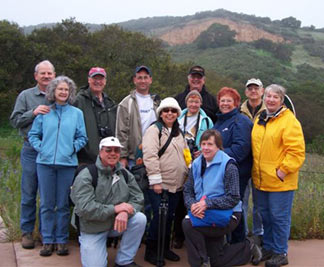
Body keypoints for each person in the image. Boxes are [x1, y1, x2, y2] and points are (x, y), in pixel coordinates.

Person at [182, 129, 261, 267]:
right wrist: (193, 205)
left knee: (188, 224)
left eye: (210, 144)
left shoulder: (229, 165)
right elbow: (187, 190)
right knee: (216, 260)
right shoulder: (196, 164)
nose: (206, 148)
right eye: (203, 144)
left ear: (218, 146)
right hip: (203, 211)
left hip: (229, 214)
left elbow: (233, 198)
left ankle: (200, 262)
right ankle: (248, 248)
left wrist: (207, 204)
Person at [28, 76, 87, 256]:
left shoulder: (76, 113)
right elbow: (33, 135)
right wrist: (42, 149)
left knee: (62, 204)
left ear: (70, 93)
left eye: (66, 90)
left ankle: (61, 240)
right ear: (53, 91)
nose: (63, 92)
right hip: (45, 164)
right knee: (46, 203)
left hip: (67, 164)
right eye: (60, 89)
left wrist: (71, 149)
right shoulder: (45, 112)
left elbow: (82, 137)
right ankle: (47, 240)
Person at [70, 136, 146, 267]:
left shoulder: (125, 174)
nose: (113, 153)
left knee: (140, 219)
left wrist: (125, 213)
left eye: (116, 151)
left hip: (116, 223)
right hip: (92, 227)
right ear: (100, 152)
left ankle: (124, 261)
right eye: (108, 150)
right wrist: (116, 209)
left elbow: (138, 198)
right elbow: (85, 208)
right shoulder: (87, 175)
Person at [251, 84, 305, 267]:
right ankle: (268, 247)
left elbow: (296, 152)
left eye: (275, 97)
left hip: (280, 181)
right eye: (268, 96)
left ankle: (281, 252)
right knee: (265, 217)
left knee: (279, 218)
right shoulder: (261, 118)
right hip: (261, 180)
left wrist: (282, 171)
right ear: (264, 98)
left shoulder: (289, 121)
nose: (271, 99)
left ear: (282, 101)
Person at [9, 60, 56, 249]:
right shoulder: (26, 96)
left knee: (48, 196)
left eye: (49, 73)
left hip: (52, 151)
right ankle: (27, 233)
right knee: (29, 193)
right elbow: (15, 121)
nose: (46, 76)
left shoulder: (59, 95)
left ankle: (46, 234)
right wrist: (33, 112)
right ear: (36, 76)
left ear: (54, 75)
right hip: (31, 150)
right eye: (42, 73)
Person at [142, 97, 189, 265]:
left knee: (169, 218)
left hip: (177, 185)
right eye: (166, 110)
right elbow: (150, 156)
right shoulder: (154, 130)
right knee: (159, 219)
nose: (169, 113)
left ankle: (164, 248)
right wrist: (155, 181)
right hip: (160, 184)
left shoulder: (179, 133)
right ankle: (151, 251)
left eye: (173, 111)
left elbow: (185, 155)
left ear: (177, 113)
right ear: (160, 113)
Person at [213, 87, 253, 243]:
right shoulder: (219, 121)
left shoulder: (241, 121)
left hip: (238, 173)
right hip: (223, 173)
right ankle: (228, 242)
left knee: (236, 208)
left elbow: (241, 149)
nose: (225, 103)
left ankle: (238, 244)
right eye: (222, 100)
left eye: (229, 101)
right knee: (226, 208)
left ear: (236, 103)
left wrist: (215, 155)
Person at [174, 89, 213, 248]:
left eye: (197, 101)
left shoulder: (206, 120)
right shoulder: (178, 117)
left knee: (196, 197)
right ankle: (178, 236)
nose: (193, 104)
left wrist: (202, 152)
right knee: (179, 200)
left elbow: (211, 139)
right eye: (191, 101)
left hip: (198, 162)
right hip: (180, 161)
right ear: (186, 102)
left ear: (201, 103)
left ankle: (195, 236)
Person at [116, 65, 160, 168]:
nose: (143, 81)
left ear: (150, 80)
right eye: (139, 78)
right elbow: (121, 132)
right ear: (134, 80)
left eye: (145, 77)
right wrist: (122, 156)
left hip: (154, 156)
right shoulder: (126, 103)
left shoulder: (157, 102)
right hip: (133, 159)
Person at [74, 67, 117, 164]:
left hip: (107, 159)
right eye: (94, 78)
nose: (98, 82)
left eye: (101, 79)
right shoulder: (79, 101)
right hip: (84, 160)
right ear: (89, 79)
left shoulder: (110, 104)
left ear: (105, 81)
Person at [241, 78, 266, 244]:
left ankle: (259, 233)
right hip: (243, 163)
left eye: (256, 88)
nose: (253, 91)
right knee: (242, 201)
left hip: (261, 164)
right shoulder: (238, 110)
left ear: (262, 91)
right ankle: (242, 234)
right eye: (250, 88)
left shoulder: (271, 110)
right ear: (246, 92)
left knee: (259, 202)